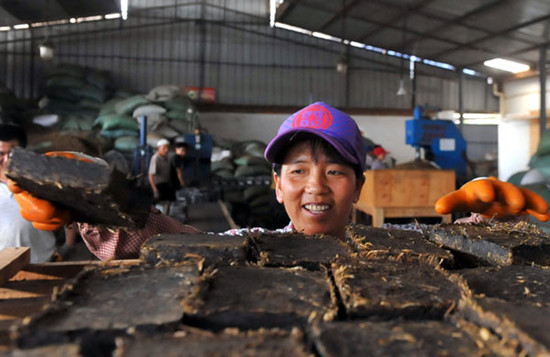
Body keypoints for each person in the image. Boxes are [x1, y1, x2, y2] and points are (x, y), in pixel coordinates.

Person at [7, 102, 550, 260]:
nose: (316, 186)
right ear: (275, 184)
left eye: (335, 171)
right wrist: (89, 207)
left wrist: (505, 227)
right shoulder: (249, 247)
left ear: (358, 188)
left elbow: (464, 247)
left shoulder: (402, 247)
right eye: (297, 172)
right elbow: (160, 243)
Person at [0, 121, 57, 263]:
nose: (7, 160)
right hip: (3, 271)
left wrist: (69, 244)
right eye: (1, 153)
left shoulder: (40, 181)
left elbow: (69, 211)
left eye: (13, 153)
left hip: (45, 264)